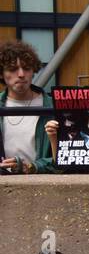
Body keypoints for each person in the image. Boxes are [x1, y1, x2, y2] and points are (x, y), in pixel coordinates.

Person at [1, 39, 54, 175]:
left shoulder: (52, 106)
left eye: (26, 68)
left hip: (43, 186)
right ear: (2, 74)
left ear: (33, 71)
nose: (21, 74)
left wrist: (33, 167)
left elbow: (66, 155)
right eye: (13, 69)